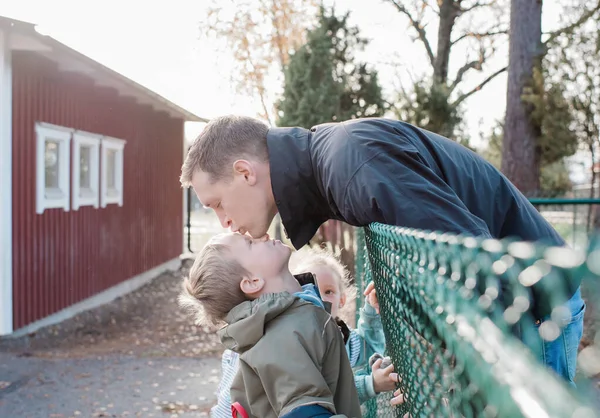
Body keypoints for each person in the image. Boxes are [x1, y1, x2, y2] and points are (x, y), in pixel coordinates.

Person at [180, 115, 585, 385]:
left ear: (244, 172)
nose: (224, 223)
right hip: (526, 308)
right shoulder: (333, 163)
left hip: (534, 313)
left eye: (216, 204)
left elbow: (473, 262)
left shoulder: (351, 163)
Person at [179, 232, 362, 417]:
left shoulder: (296, 313)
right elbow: (305, 412)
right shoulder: (282, 339)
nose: (261, 236)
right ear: (252, 282)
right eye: (250, 243)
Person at [210, 246, 400, 417]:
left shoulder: (336, 335)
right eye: (311, 290)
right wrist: (370, 384)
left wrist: (371, 310)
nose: (319, 297)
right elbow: (309, 403)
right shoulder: (285, 338)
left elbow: (367, 345)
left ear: (342, 299)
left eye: (328, 292)